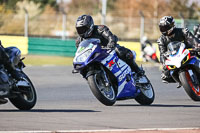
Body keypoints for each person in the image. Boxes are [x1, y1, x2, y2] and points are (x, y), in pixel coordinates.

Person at [75, 15, 144, 79]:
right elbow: (80, 52)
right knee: (83, 67)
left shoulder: (100, 29)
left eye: (83, 29)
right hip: (95, 55)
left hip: (108, 50)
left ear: (90, 26)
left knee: (121, 52)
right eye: (79, 29)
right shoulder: (79, 40)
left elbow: (110, 37)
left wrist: (111, 43)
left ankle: (137, 70)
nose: (81, 32)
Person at [157, 16, 200, 87]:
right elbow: (162, 53)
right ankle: (181, 80)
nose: (163, 30)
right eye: (161, 27)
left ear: (171, 26)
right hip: (175, 56)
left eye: (165, 27)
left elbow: (192, 39)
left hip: (189, 51)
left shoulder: (183, 31)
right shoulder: (161, 40)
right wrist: (163, 61)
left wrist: (197, 45)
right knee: (165, 75)